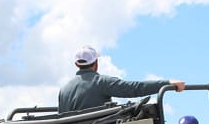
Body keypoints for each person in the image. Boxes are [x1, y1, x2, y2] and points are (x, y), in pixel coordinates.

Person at [58, 45, 186, 114]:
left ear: (76, 64)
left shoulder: (64, 90)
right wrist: (167, 83)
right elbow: (134, 88)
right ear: (96, 63)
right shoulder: (101, 83)